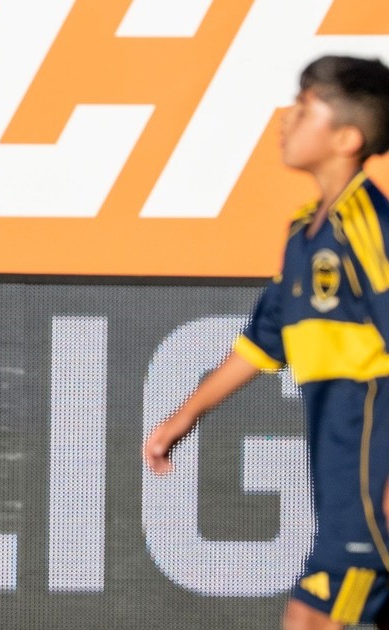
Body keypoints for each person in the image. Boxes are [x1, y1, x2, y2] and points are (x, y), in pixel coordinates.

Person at [143, 55, 389, 629]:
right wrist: (183, 419)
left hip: (370, 466)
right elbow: (261, 342)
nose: (286, 119)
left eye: (304, 109)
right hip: (339, 466)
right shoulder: (304, 231)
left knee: (309, 618)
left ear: (346, 138)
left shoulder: (368, 227)